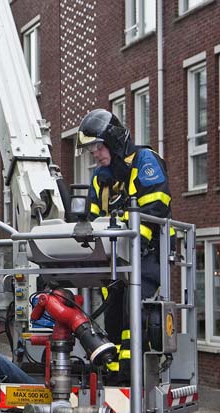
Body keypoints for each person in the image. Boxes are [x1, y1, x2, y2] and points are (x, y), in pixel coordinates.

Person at [77, 109, 172, 385]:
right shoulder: (100, 178)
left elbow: (156, 206)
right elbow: (93, 220)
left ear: (113, 139)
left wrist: (132, 244)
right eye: (91, 149)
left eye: (97, 146)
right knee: (113, 315)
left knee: (135, 309)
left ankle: (134, 371)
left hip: (147, 256)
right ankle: (117, 370)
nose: (94, 153)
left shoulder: (145, 161)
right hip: (113, 261)